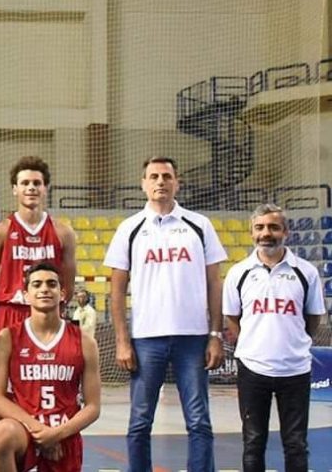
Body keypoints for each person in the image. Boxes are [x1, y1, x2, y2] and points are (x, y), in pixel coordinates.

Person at [103, 156, 227, 471]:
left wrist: (215, 335)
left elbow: (215, 283)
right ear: (144, 184)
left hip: (193, 338)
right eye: (154, 176)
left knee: (199, 420)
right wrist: (122, 340)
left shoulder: (199, 225)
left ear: (177, 183)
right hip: (146, 339)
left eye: (167, 176)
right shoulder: (129, 229)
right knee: (140, 421)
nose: (161, 182)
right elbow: (116, 289)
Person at [222, 203, 326, 472]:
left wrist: (293, 341)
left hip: (295, 370)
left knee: (295, 443)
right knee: (253, 442)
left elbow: (313, 318)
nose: (266, 233)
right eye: (260, 227)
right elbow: (232, 317)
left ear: (286, 232)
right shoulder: (238, 273)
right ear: (251, 233)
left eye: (273, 227)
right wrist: (253, 343)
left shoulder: (306, 272)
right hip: (252, 369)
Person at [0, 263, 101, 472]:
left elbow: (93, 407)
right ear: (26, 295)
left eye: (51, 284)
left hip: (64, 436)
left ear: (62, 293)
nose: (44, 289)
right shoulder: (8, 337)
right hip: (24, 430)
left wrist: (56, 434)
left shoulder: (84, 342)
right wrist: (40, 431)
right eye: (37, 284)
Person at [0, 156, 76, 335]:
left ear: (45, 188)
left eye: (37, 183)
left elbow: (68, 286)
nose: (31, 188)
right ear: (14, 189)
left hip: (48, 311)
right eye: (25, 183)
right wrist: (2, 312)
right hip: (10, 311)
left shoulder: (63, 233)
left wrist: (53, 308)